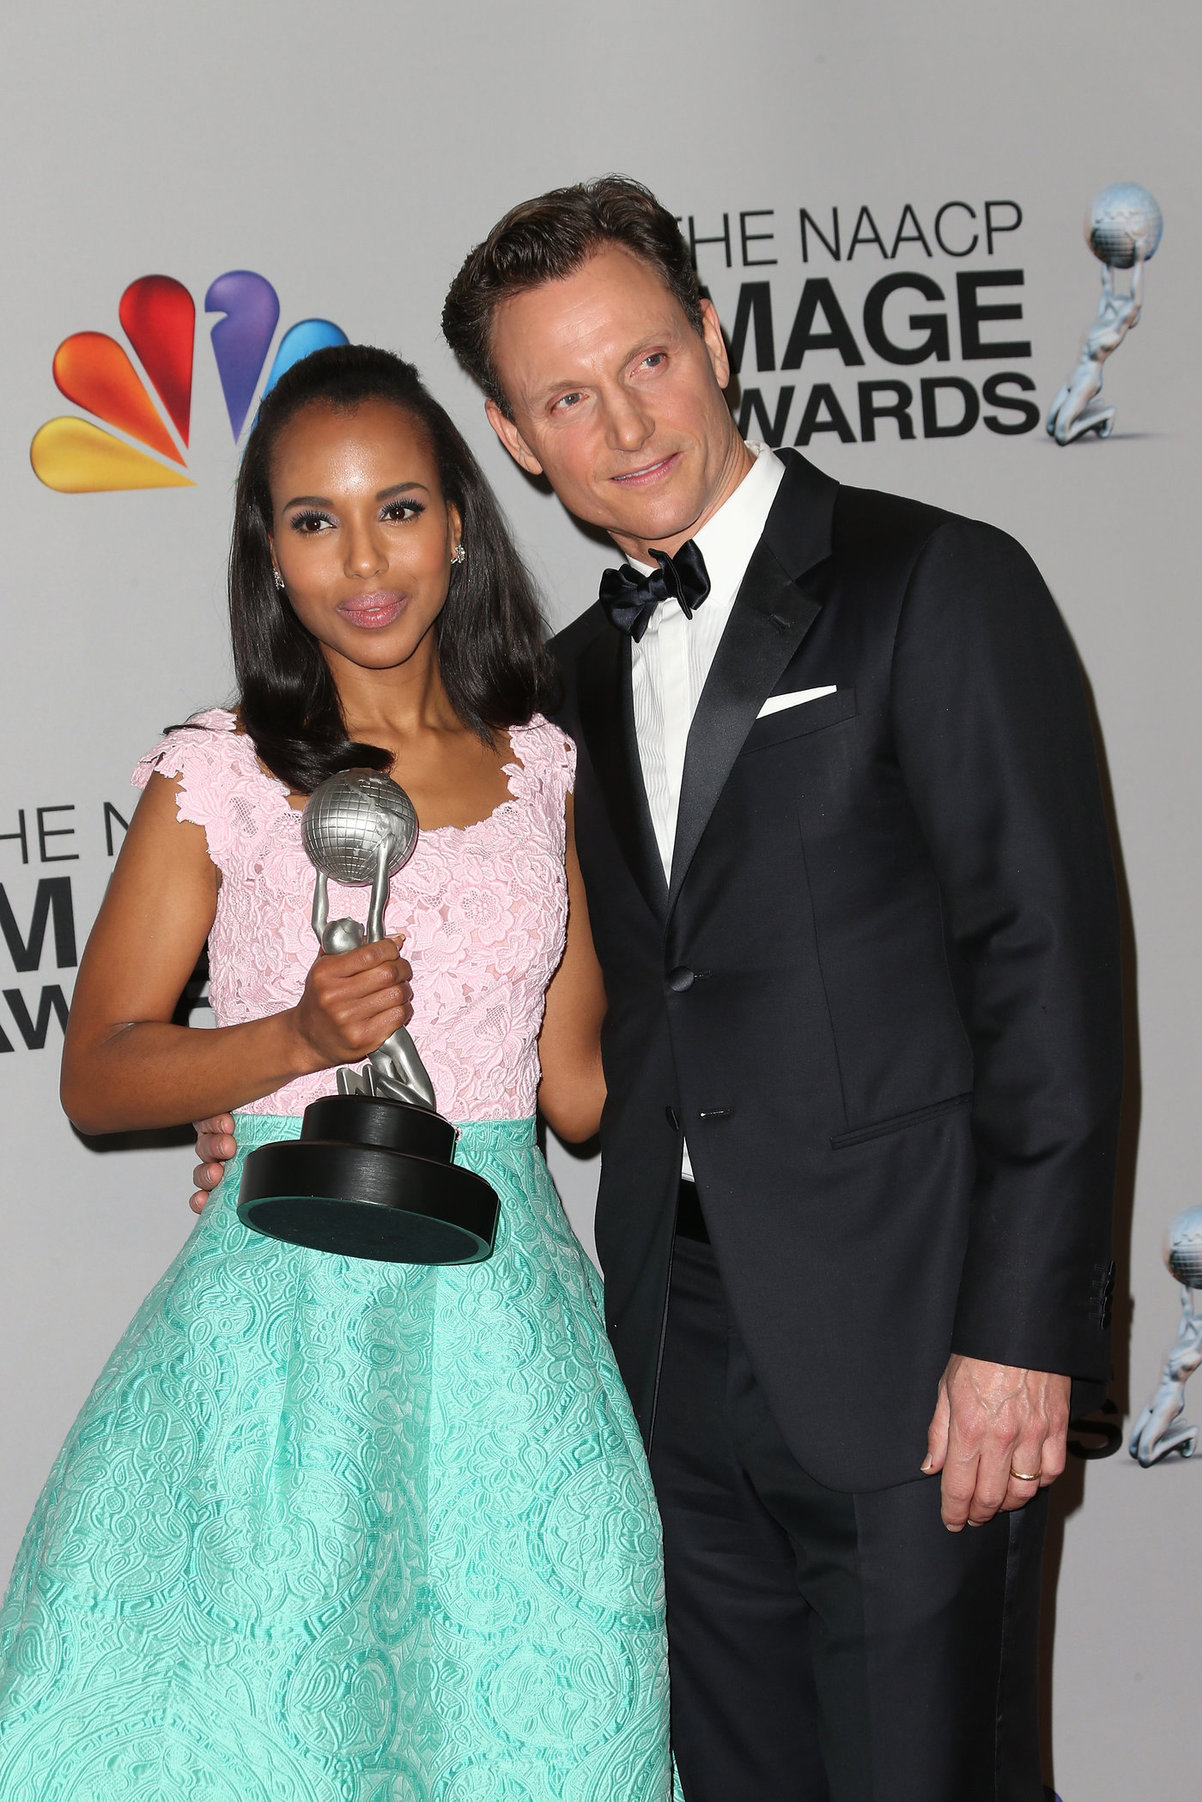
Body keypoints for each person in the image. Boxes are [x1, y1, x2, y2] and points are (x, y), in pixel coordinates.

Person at [196, 178, 1124, 1801]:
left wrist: (1020, 1335)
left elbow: (1049, 980)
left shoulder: (934, 585)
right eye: (565, 396)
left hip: (916, 1351)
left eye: (645, 360)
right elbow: (551, 1014)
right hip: (664, 1359)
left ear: (711, 335)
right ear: (514, 433)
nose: (622, 421)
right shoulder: (553, 696)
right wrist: (273, 1098)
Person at [0, 345, 676, 1801]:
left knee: (531, 1730)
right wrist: (292, 1047)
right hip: (278, 1321)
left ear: (457, 526)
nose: (362, 560)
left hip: (507, 1325)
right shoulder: (225, 769)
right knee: (253, 1729)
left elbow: (575, 1089)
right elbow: (99, 1073)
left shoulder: (548, 763)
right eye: (313, 520)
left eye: (399, 509)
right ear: (270, 553)